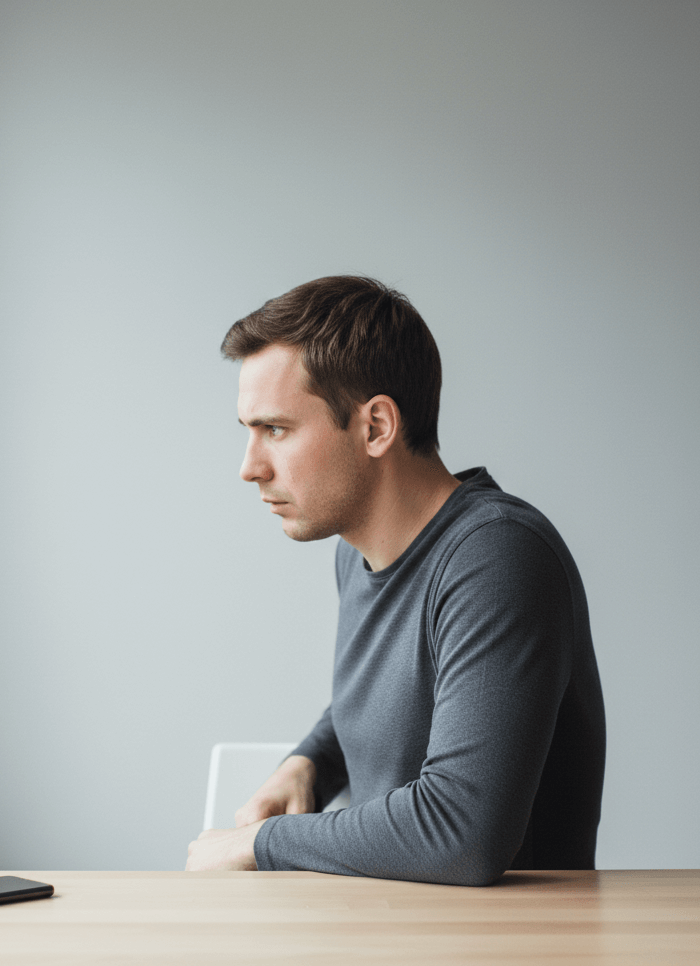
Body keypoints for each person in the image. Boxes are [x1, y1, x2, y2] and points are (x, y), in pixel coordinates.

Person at [186, 276, 605, 885]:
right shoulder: (354, 553)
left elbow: (462, 832)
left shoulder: (498, 557)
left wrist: (259, 843)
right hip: (393, 940)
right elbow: (390, 698)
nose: (249, 467)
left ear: (376, 426)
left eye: (274, 429)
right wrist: (310, 764)